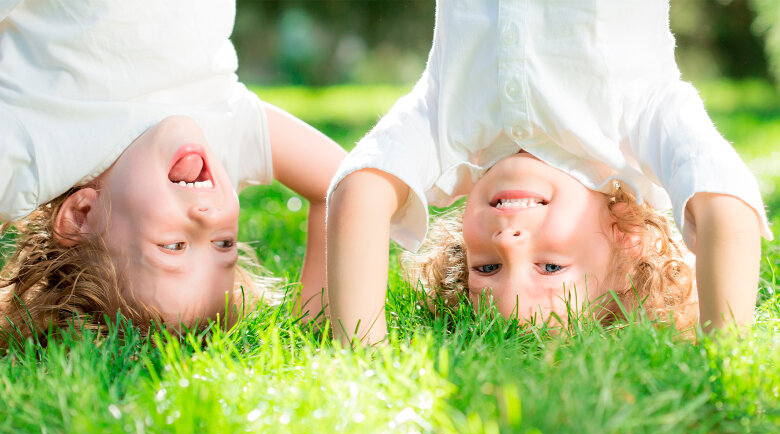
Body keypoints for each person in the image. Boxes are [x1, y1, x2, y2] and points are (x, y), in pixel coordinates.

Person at [327, 0, 772, 344]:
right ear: (626, 236)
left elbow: (358, 192)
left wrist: (363, 357)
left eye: (486, 269)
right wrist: (719, 356)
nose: (507, 241)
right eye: (550, 266)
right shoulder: (640, 119)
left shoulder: (448, 123)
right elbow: (727, 203)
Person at [0, 0, 345, 341]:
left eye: (175, 246)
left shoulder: (35, 155)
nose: (208, 215)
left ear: (83, 216)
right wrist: (313, 330)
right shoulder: (223, 136)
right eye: (224, 243)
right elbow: (339, 185)